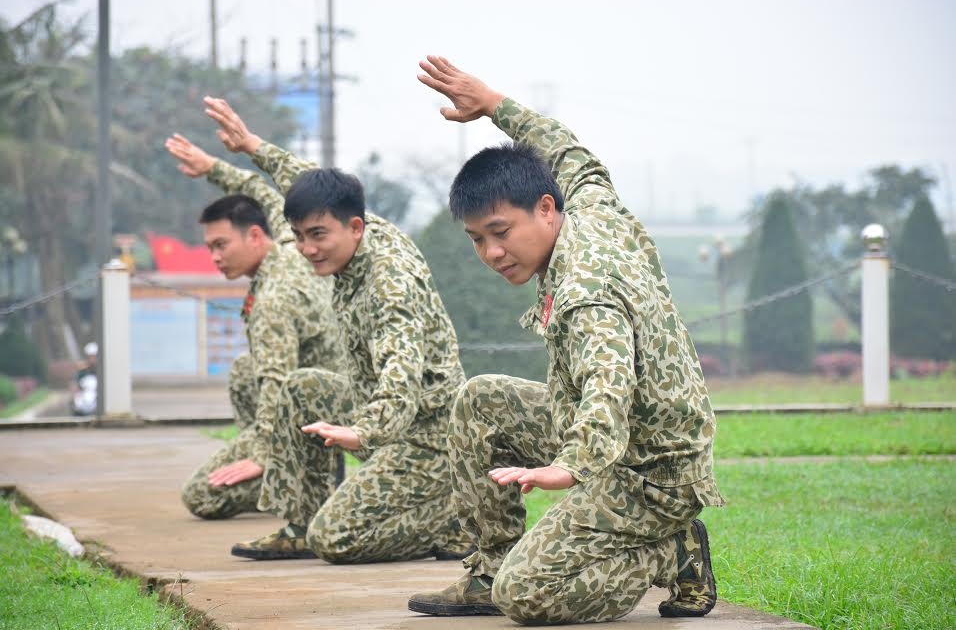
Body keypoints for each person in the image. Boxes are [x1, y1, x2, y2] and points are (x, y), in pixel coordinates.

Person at [408, 56, 724, 623]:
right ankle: (488, 568)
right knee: (480, 401)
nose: (492, 254)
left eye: (500, 233)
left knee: (526, 596)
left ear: (545, 209)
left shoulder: (584, 292)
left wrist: (572, 467)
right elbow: (571, 156)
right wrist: (494, 105)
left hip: (651, 474)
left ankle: (668, 547)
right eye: (477, 239)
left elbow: (609, 384)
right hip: (614, 440)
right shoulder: (591, 209)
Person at [201, 96, 472, 563]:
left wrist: (363, 432)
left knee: (338, 539)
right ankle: (299, 524)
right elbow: (301, 179)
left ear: (355, 227)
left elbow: (400, 375)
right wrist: (250, 146)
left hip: (425, 437)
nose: (306, 249)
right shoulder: (356, 224)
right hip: (371, 410)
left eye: (318, 235)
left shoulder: (389, 283)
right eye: (299, 235)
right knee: (302, 387)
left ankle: (454, 515)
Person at [166, 135, 344, 536]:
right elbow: (258, 190)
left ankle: (292, 481)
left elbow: (276, 384)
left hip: (321, 407)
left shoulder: (273, 300)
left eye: (221, 245)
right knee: (246, 370)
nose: (215, 257)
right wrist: (212, 167)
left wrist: (264, 454)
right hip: (332, 391)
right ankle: (301, 473)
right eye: (210, 247)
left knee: (200, 494)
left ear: (254, 237)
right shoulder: (289, 242)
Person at [70, 341, 98, 416]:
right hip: (84, 400)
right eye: (90, 356)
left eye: (94, 356)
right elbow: (75, 385)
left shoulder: (101, 371)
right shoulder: (82, 371)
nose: (92, 359)